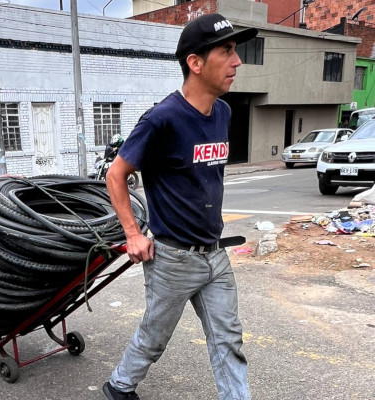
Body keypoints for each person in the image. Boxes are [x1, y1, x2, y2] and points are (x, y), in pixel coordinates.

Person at [102, 14, 258, 400]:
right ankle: (119, 387)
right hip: (173, 258)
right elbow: (116, 174)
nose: (237, 62)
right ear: (196, 62)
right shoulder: (162, 119)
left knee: (228, 341)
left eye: (235, 51)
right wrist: (133, 235)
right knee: (154, 338)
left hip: (215, 254)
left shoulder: (223, 113)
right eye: (226, 51)